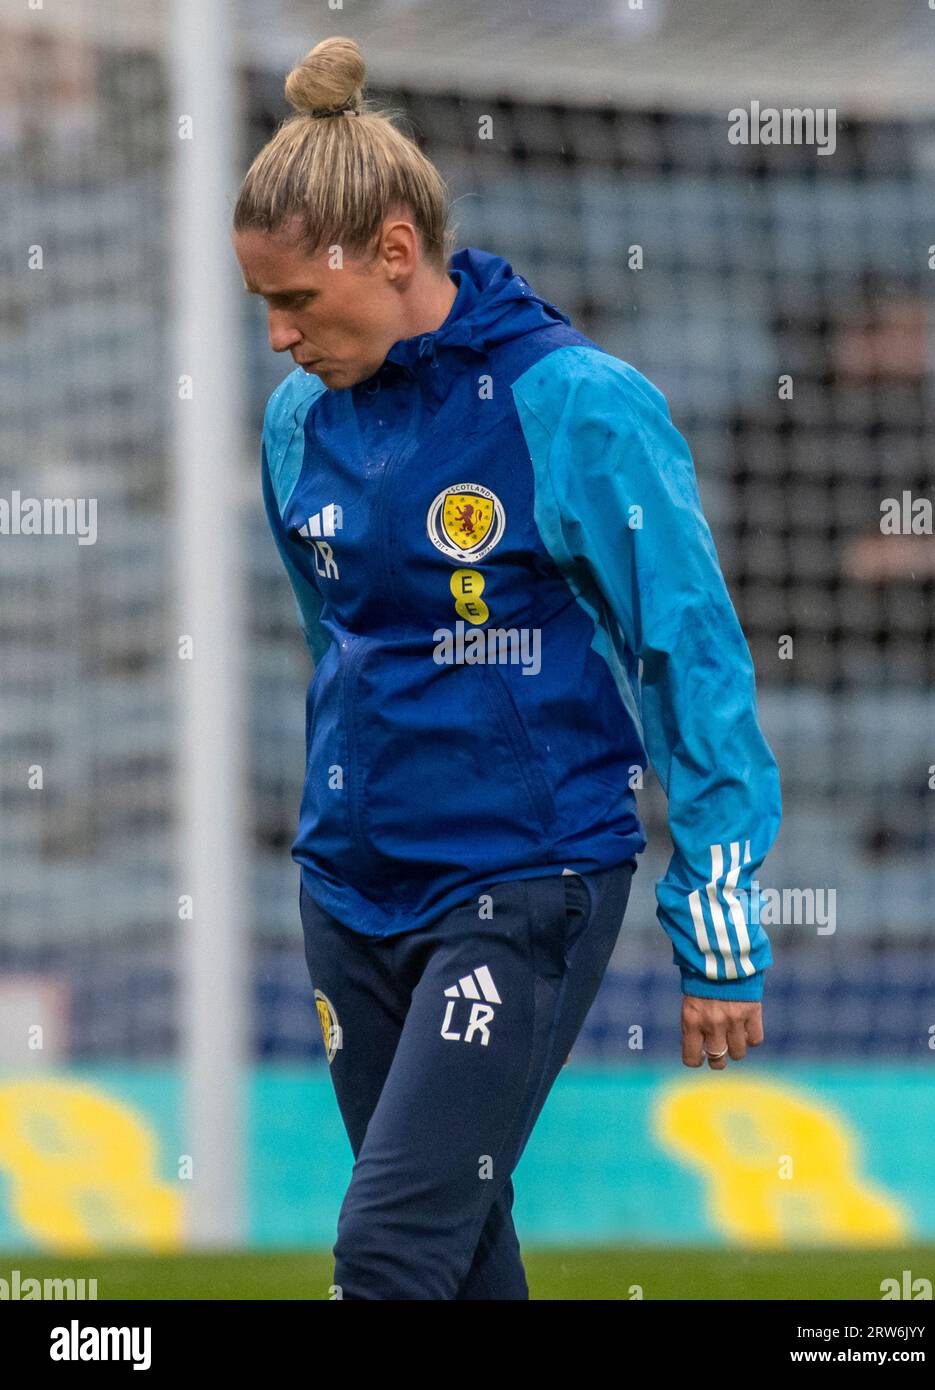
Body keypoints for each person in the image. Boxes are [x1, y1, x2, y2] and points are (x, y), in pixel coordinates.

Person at [233, 35, 781, 1300]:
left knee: (387, 1256)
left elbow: (688, 656)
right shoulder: (295, 421)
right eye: (261, 305)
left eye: (297, 302)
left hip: (522, 884)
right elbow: (341, 648)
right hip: (348, 894)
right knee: (465, 1259)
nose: (275, 337)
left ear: (392, 251)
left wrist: (721, 923)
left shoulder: (578, 405)